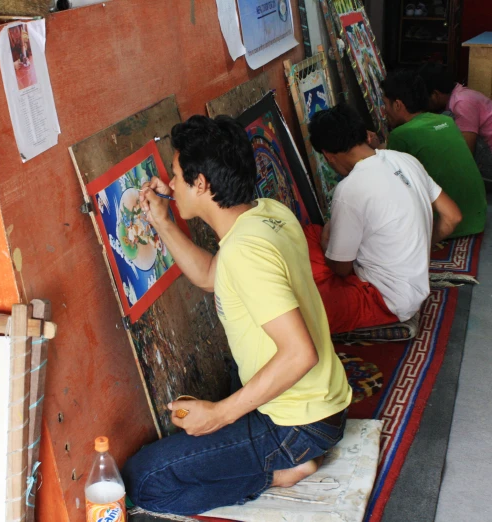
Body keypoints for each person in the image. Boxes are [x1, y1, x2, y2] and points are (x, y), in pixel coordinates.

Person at [122, 115, 352, 515]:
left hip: (298, 424)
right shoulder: (268, 213)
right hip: (322, 404)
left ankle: (282, 471)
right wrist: (162, 219)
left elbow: (300, 353)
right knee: (231, 382)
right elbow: (213, 275)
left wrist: (219, 415)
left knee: (144, 481)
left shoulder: (245, 251)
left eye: (176, 176)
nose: (171, 185)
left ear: (201, 184)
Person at [307, 104, 462, 334]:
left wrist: (327, 242)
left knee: (303, 314)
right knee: (309, 232)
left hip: (384, 299)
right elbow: (453, 217)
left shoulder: (349, 189)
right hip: (413, 284)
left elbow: (340, 268)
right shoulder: (405, 160)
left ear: (329, 156)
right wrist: (416, 247)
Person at [381, 69, 486, 238]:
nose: (384, 110)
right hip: (476, 218)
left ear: (398, 105)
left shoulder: (400, 135)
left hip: (445, 224)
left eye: (385, 104)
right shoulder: (446, 121)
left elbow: (393, 184)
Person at [418, 63, 492, 191]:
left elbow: (466, 150)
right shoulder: (458, 95)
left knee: (446, 122)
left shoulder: (462, 102)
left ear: (435, 94)